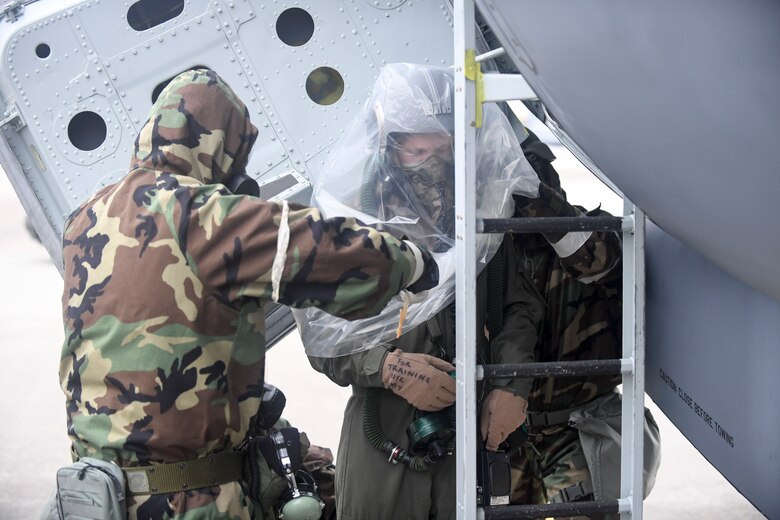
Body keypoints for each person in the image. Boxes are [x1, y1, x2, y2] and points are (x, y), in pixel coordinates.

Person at [57, 68, 439, 519]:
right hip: (186, 500)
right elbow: (321, 249)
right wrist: (411, 262)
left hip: (100, 495)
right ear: (219, 145)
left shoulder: (86, 217)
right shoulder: (201, 215)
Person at [307, 64, 545, 520]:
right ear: (390, 142)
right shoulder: (352, 218)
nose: (433, 156)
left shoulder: (480, 213)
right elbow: (321, 335)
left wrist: (513, 385)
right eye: (419, 145)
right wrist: (388, 368)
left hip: (472, 434)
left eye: (443, 142)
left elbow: (520, 306)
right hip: (383, 437)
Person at [507, 129, 661, 517]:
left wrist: (532, 194)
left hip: (579, 431)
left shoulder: (598, 233)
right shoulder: (495, 256)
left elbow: (590, 259)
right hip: (510, 434)